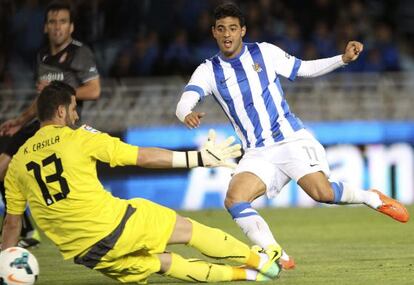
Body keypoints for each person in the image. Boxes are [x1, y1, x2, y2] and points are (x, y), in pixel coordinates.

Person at [176, 2, 410, 270]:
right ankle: (274, 251)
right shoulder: (208, 70)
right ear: (213, 33)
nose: (227, 34)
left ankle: (372, 198)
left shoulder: (264, 52)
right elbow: (184, 102)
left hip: (290, 140)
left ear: (243, 30)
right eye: (221, 29)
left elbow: (304, 69)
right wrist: (187, 114)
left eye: (232, 28)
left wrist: (342, 59)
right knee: (234, 199)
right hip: (257, 152)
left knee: (322, 193)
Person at [1, 81, 282, 283]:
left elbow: (12, 224)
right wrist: (197, 159)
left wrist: (4, 265)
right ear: (61, 112)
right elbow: (143, 157)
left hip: (87, 253)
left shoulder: (17, 164)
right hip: (116, 224)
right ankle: (261, 263)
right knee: (189, 230)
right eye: (74, 108)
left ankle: (247, 275)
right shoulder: (80, 138)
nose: (76, 115)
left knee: (164, 264)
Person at [0, 0, 100, 248]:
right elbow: (41, 99)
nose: (57, 27)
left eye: (63, 22)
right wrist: (20, 121)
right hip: (37, 125)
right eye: (53, 22)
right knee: (2, 168)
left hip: (63, 128)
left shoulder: (80, 52)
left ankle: (94, 227)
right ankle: (27, 230)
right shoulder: (42, 55)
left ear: (71, 27)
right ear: (45, 27)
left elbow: (94, 90)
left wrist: (58, 90)